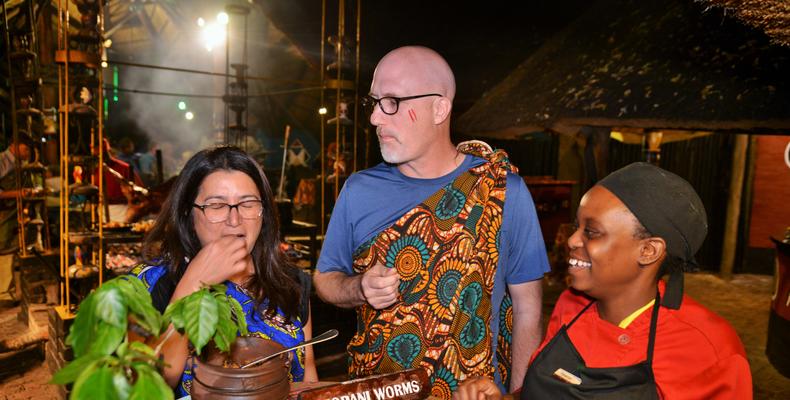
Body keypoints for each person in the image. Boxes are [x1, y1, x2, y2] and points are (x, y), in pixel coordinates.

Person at [313, 46, 549, 398]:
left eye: (392, 102)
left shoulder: (501, 189)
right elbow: (325, 279)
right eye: (374, 103)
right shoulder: (358, 190)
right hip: (377, 389)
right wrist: (360, 287)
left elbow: (528, 306)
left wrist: (518, 395)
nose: (376, 118)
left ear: (439, 108)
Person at [454, 162, 752, 399]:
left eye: (592, 232)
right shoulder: (571, 306)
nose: (571, 240)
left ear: (649, 251)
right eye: (577, 226)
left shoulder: (709, 349)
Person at [131, 146, 317, 397]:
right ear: (188, 213)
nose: (234, 219)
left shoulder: (290, 282)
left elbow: (308, 378)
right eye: (216, 205)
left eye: (248, 203)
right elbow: (145, 386)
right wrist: (194, 282)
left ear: (263, 212)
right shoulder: (150, 285)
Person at [0, 136, 32, 308]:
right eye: (26, 149)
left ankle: (8, 292)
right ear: (14, 145)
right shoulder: (2, 161)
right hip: (2, 214)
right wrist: (18, 193)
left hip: (13, 214)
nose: (28, 153)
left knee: (11, 253)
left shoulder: (22, 167)